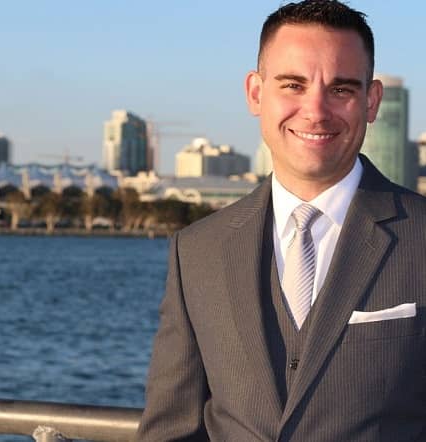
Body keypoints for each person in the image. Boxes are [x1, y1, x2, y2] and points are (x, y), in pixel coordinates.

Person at [137, 1, 426, 441]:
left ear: (371, 101)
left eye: (342, 90)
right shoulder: (197, 250)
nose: (315, 110)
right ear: (255, 93)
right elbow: (172, 430)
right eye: (293, 85)